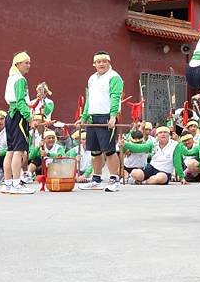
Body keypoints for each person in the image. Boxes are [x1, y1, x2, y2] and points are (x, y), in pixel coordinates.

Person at [77, 51, 124, 192]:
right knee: (95, 151)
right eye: (98, 62)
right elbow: (89, 99)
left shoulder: (114, 77)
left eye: (104, 61)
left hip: (107, 117)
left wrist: (113, 116)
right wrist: (83, 117)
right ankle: (96, 179)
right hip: (93, 117)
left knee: (109, 150)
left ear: (109, 62)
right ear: (94, 64)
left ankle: (114, 180)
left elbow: (115, 97)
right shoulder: (92, 78)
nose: (101, 64)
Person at [1, 51, 36, 194]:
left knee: (10, 151)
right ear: (18, 64)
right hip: (19, 117)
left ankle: (8, 183)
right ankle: (16, 183)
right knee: (19, 151)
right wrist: (30, 118)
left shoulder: (11, 78)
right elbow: (21, 102)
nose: (29, 65)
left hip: (10, 115)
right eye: (26, 63)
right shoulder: (20, 79)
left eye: (29, 62)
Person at [121, 126, 185, 185]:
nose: (163, 134)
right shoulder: (153, 143)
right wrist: (125, 144)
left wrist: (182, 177)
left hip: (164, 171)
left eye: (165, 132)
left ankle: (143, 182)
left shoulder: (175, 145)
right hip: (151, 168)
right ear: (157, 135)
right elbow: (139, 147)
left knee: (161, 178)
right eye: (160, 133)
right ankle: (136, 180)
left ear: (169, 135)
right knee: (135, 172)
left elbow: (177, 162)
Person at [0, 110, 7, 185]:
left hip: (7, 155)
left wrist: (0, 153)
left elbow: (12, 147)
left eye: (1, 119)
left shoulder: (10, 131)